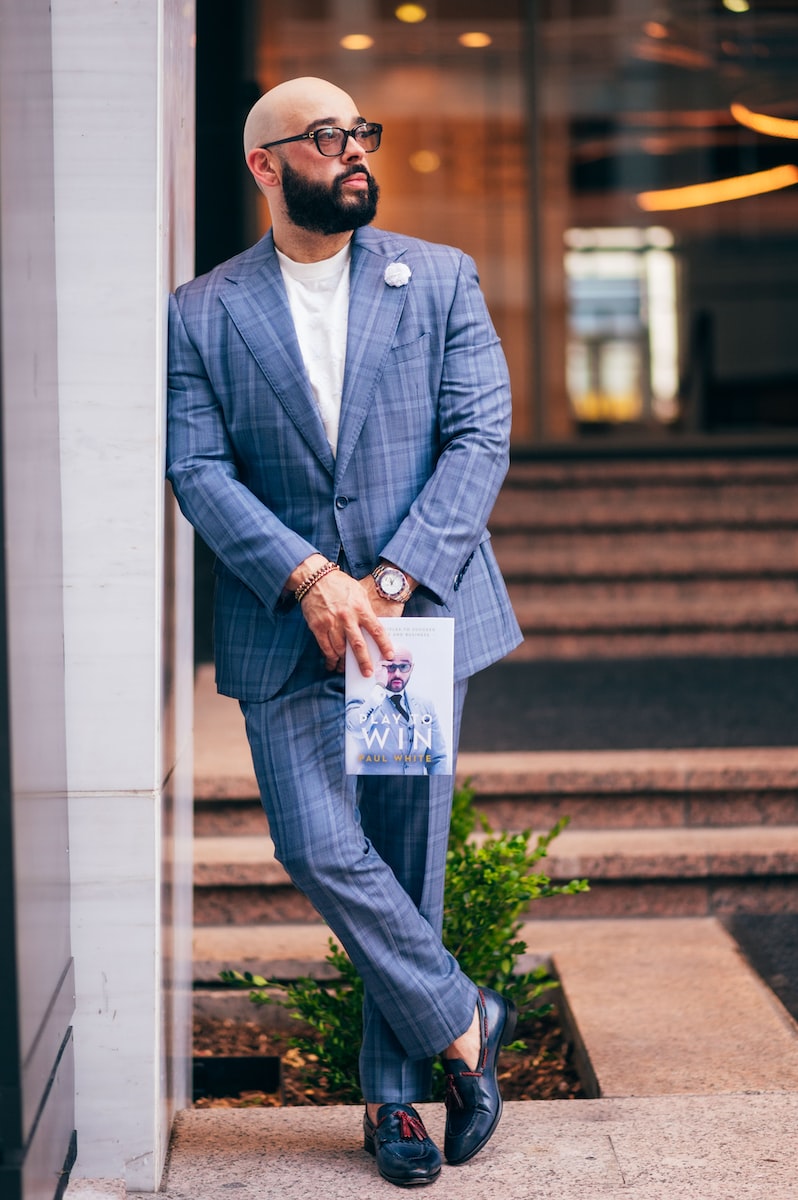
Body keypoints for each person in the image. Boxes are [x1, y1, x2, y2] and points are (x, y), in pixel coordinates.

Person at [167, 76, 523, 1187]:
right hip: (284, 628)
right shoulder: (202, 311)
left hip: (408, 619)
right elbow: (195, 468)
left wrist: (387, 579)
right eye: (327, 139)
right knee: (318, 845)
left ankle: (396, 1104)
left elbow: (480, 436)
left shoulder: (440, 278)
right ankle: (461, 1018)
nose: (354, 152)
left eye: (362, 133)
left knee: (403, 856)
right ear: (267, 165)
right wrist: (311, 578)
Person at [345, 646, 449, 775]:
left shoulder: (425, 705)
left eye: (404, 667)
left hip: (415, 789)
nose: (397, 674)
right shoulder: (362, 699)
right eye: (391, 667)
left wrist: (434, 789)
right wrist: (379, 686)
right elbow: (355, 728)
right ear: (380, 667)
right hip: (373, 790)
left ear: (412, 668)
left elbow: (437, 758)